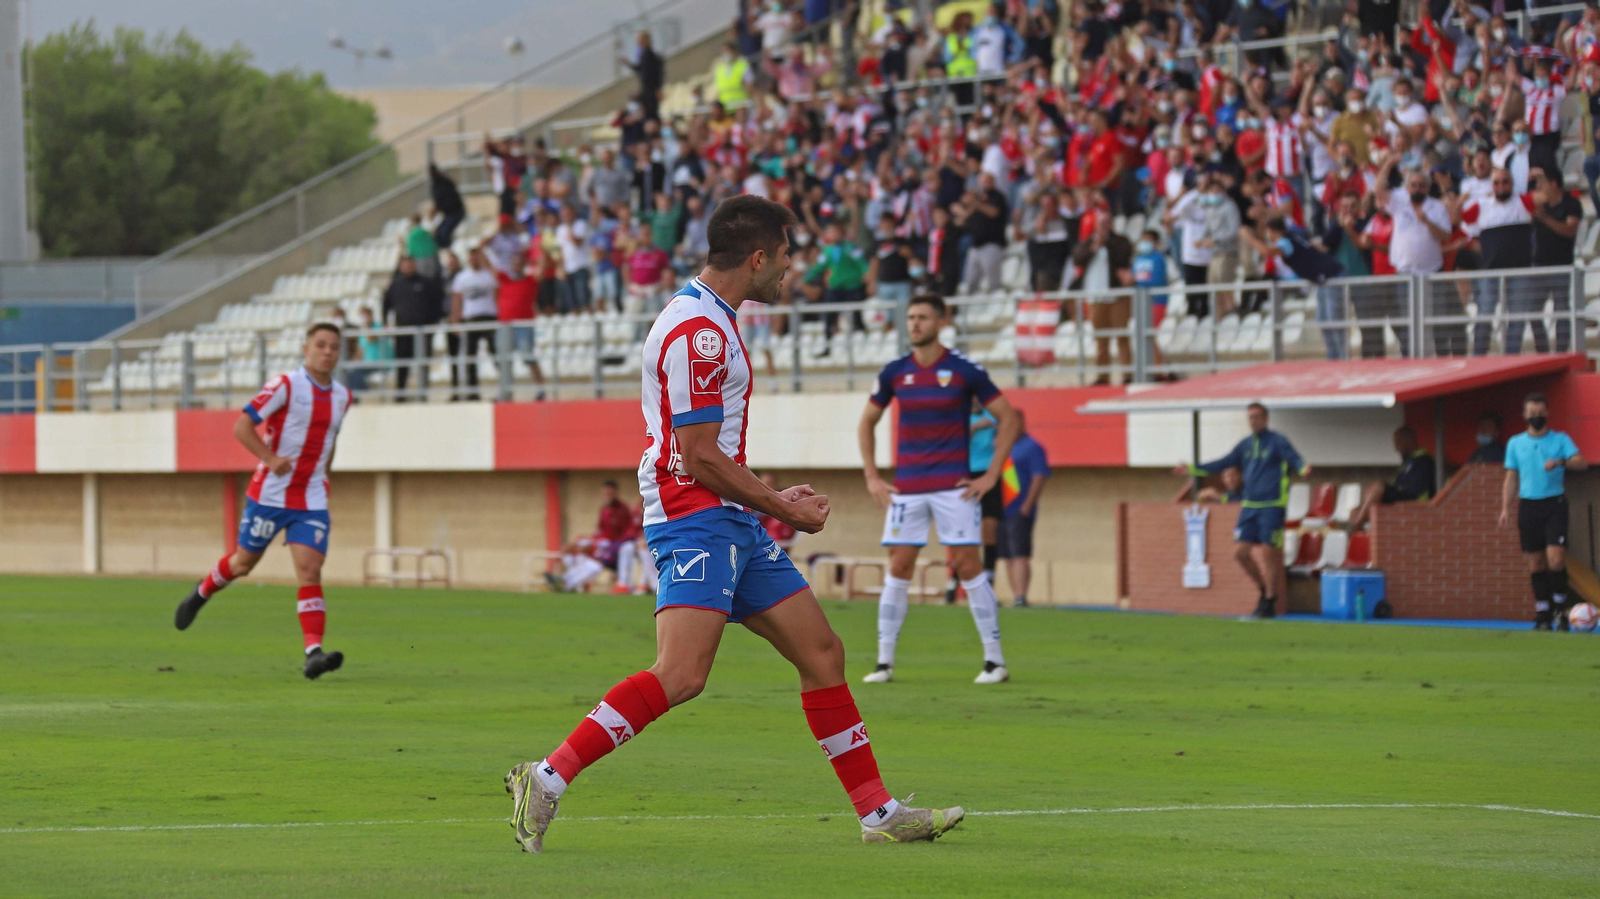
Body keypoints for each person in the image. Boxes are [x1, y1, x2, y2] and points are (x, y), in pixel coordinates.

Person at [504, 196, 965, 854]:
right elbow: (697, 455)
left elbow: (712, 451)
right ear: (757, 257)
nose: (789, 270)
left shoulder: (710, 318)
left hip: (728, 517)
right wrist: (785, 507)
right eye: (784, 257)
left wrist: (767, 501)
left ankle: (877, 811)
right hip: (693, 517)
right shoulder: (699, 332)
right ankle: (545, 777)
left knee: (823, 652)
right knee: (683, 672)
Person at [857, 292, 1022, 685]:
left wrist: (992, 475)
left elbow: (1009, 418)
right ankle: (884, 663)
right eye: (910, 317)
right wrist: (871, 475)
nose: (914, 323)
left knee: (968, 565)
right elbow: (866, 422)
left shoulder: (965, 370)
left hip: (954, 488)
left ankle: (994, 662)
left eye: (923, 317)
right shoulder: (895, 372)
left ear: (941, 321)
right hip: (908, 489)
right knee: (898, 567)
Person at [172, 323, 353, 680]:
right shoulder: (285, 385)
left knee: (310, 570)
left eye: (334, 346)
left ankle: (313, 652)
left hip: (311, 498)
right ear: (306, 349)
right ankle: (201, 592)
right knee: (243, 563)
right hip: (270, 494)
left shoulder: (343, 397)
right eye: (321, 345)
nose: (328, 352)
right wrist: (270, 459)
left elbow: (329, 441)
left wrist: (325, 477)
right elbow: (242, 425)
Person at [1170, 402, 1311, 619]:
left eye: (1256, 417)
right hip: (1249, 506)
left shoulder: (1277, 441)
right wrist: (1191, 468)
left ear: (1265, 418)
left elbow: (1294, 457)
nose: (1253, 421)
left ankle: (1270, 602)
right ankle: (1264, 590)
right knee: (1239, 553)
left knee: (1268, 553)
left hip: (1272, 506)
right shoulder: (1245, 445)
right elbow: (1222, 463)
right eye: (1250, 417)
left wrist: (1303, 467)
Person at [1499, 393, 1588, 630]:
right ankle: (1543, 612)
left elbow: (1581, 462)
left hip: (1554, 504)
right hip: (1528, 505)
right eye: (1532, 413)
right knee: (1535, 563)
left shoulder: (1560, 440)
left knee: (1555, 559)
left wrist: (1560, 462)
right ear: (1525, 415)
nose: (1536, 417)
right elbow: (1510, 477)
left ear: (1547, 414)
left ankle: (1560, 609)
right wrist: (1505, 508)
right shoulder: (1516, 443)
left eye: (1540, 413)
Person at [545, 480, 637, 594]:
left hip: (613, 548)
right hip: (602, 545)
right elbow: (599, 530)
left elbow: (626, 533)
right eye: (605, 494)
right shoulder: (604, 509)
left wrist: (604, 544)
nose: (607, 496)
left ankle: (566, 582)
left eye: (609, 493)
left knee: (595, 566)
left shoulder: (623, 510)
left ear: (616, 493)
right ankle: (566, 581)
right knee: (578, 552)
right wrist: (591, 541)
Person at [997, 412, 1050, 608]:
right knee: (1007, 555)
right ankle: (1014, 594)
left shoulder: (1032, 447)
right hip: (1002, 509)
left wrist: (1027, 505)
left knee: (1019, 553)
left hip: (1019, 509)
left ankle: (1021, 595)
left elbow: (1039, 476)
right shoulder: (1003, 447)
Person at [1345, 426, 1438, 532]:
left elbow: (1417, 491)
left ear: (1409, 440)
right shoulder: (1407, 462)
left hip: (1414, 500)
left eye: (1398, 443)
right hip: (1401, 496)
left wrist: (1386, 495)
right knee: (1355, 511)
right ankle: (1362, 535)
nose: (1396, 448)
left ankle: (1358, 526)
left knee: (1379, 486)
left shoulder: (1424, 461)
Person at [382, 256, 445, 401]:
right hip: (403, 331)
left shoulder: (426, 282)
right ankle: (400, 393)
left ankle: (422, 393)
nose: (408, 267)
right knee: (402, 363)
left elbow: (438, 301)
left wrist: (435, 321)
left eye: (410, 264)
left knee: (423, 362)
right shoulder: (396, 285)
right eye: (405, 265)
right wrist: (385, 321)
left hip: (423, 331)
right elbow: (385, 303)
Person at [449, 248, 500, 401]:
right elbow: (457, 299)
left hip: (489, 317)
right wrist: (455, 320)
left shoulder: (489, 276)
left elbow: (498, 293)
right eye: (472, 257)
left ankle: (503, 386)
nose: (474, 260)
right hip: (471, 319)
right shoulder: (462, 277)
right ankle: (473, 391)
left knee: (496, 353)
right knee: (470, 356)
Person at [429, 163, 466, 250]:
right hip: (449, 214)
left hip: (456, 212)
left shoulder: (445, 183)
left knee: (443, 233)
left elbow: (446, 201)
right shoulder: (441, 184)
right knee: (437, 233)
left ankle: (448, 250)